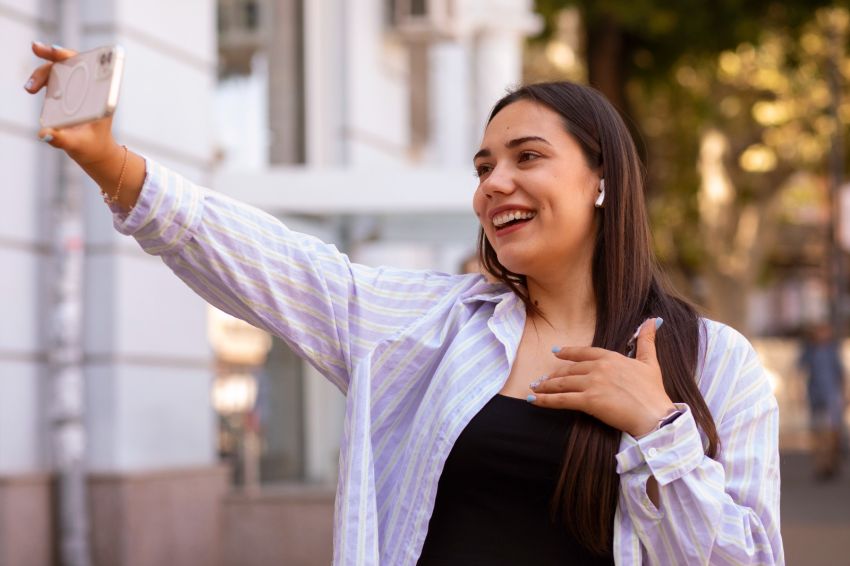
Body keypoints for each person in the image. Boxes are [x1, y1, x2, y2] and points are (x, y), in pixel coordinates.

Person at [26, 42, 784, 565]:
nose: (494, 184)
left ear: (601, 180)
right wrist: (111, 164)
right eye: (484, 166)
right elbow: (278, 264)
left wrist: (659, 429)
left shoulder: (715, 365)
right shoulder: (433, 328)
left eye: (528, 157)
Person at [798, 322, 846, 481]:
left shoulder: (832, 350)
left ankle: (831, 461)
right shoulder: (809, 351)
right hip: (815, 395)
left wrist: (845, 393)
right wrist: (798, 393)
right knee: (817, 431)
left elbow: (841, 373)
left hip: (832, 396)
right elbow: (800, 371)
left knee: (832, 431)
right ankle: (820, 464)